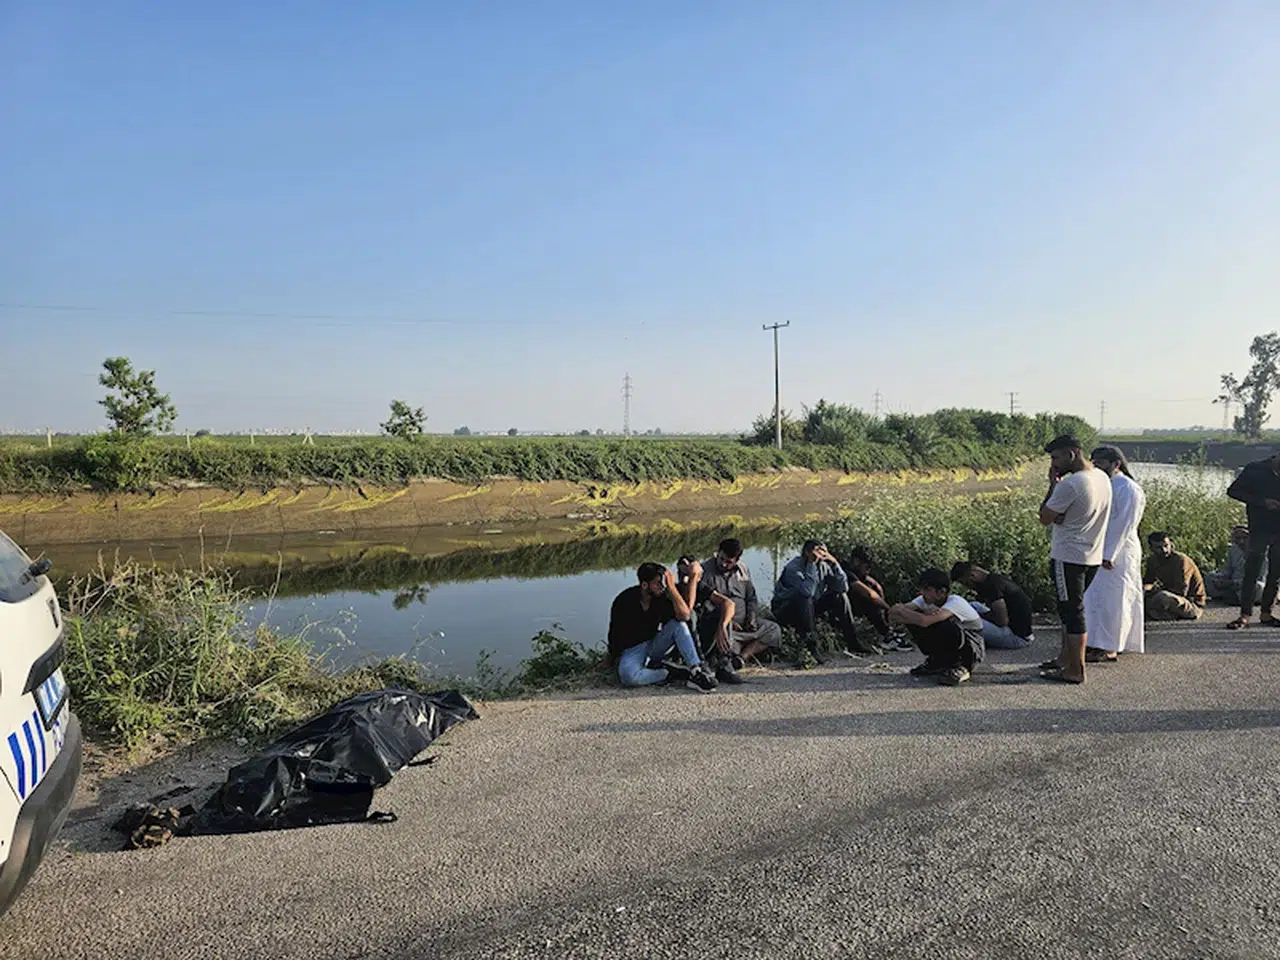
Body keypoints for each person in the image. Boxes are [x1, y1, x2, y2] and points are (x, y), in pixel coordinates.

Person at [1038, 435, 1112, 684]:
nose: (1054, 464)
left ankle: (1076, 670)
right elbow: (1064, 516)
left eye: (1055, 457)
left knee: (1071, 612)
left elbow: (1046, 517)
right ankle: (1065, 660)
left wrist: (1052, 485)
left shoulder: (1070, 484)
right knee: (1072, 609)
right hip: (1092, 555)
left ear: (1071, 454)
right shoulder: (1101, 477)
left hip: (1068, 556)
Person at [607, 561, 719, 692]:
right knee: (628, 677)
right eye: (657, 583)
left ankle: (696, 671)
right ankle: (671, 673)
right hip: (633, 649)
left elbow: (685, 615)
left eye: (662, 582)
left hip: (654, 644)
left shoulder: (661, 598)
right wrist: (612, 657)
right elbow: (614, 632)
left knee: (679, 625)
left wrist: (671, 587)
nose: (662, 586)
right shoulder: (625, 600)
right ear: (644, 585)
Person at [1080, 445, 1147, 662]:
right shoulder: (1103, 484)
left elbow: (1124, 523)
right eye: (1094, 462)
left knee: (1115, 600)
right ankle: (1094, 642)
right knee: (1095, 598)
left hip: (1118, 552)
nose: (1096, 466)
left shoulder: (1128, 488)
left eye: (1100, 462)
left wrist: (1110, 553)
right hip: (1097, 550)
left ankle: (1111, 646)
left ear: (1115, 464)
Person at [690, 539, 783, 683]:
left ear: (737, 560)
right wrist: (729, 620)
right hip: (721, 626)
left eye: (728, 562)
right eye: (721, 559)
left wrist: (751, 617)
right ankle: (724, 663)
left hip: (744, 624)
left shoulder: (742, 570)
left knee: (773, 630)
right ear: (718, 553)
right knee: (725, 630)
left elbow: (751, 597)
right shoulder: (705, 571)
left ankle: (742, 657)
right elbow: (703, 606)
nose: (723, 564)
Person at [773, 539, 881, 656]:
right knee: (805, 599)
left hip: (809, 609)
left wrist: (835, 564)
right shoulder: (793, 568)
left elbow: (843, 588)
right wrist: (811, 564)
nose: (821, 555)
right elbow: (807, 592)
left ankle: (852, 642)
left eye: (824, 552)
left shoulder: (823, 566)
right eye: (818, 551)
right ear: (807, 553)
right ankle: (811, 648)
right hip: (786, 611)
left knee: (840, 596)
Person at [888, 568, 986, 686]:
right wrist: (904, 614)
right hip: (953, 645)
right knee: (915, 619)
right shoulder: (925, 599)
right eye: (922, 589)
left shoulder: (955, 602)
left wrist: (904, 612)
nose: (922, 593)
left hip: (971, 648)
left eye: (927, 590)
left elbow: (924, 621)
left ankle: (962, 667)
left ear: (942, 592)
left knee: (945, 625)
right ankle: (938, 661)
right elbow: (894, 612)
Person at [1226, 453, 1280, 629]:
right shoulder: (1254, 469)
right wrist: (1262, 502)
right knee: (1251, 572)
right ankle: (1244, 615)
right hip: (1259, 528)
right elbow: (1233, 491)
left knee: (1275, 573)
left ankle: (1266, 613)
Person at [948, 561, 1035, 650]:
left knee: (964, 619)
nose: (968, 587)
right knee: (973, 605)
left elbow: (1002, 621)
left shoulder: (993, 587)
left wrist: (976, 616)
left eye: (966, 583)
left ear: (973, 575)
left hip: (1017, 637)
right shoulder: (994, 579)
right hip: (1016, 628)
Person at [843, 546, 914, 651]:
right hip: (840, 607)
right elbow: (868, 594)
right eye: (866, 567)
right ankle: (888, 635)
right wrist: (888, 609)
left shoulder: (857, 572)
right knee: (868, 601)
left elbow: (874, 587)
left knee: (873, 590)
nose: (868, 571)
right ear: (856, 561)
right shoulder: (846, 571)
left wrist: (877, 586)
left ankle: (889, 627)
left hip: (850, 606)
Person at [1143, 532, 1206, 621]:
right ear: (1151, 548)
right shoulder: (1152, 561)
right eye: (1158, 547)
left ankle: (1161, 613)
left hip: (1191, 604)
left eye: (1166, 545)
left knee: (1162, 597)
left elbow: (1181, 591)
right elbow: (1148, 582)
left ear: (1171, 544)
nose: (1164, 550)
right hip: (1170, 598)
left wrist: (1153, 592)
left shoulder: (1181, 560)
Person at [1205, 525, 1266, 604]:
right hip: (1233, 585)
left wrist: (1234, 582)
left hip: (1250, 585)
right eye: (1238, 538)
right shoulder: (1233, 550)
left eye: (1245, 538)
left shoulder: (1262, 553)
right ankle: (1231, 596)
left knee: (1259, 587)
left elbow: (1260, 578)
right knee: (1209, 577)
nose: (1241, 541)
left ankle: (1236, 598)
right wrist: (1221, 580)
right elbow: (1228, 570)